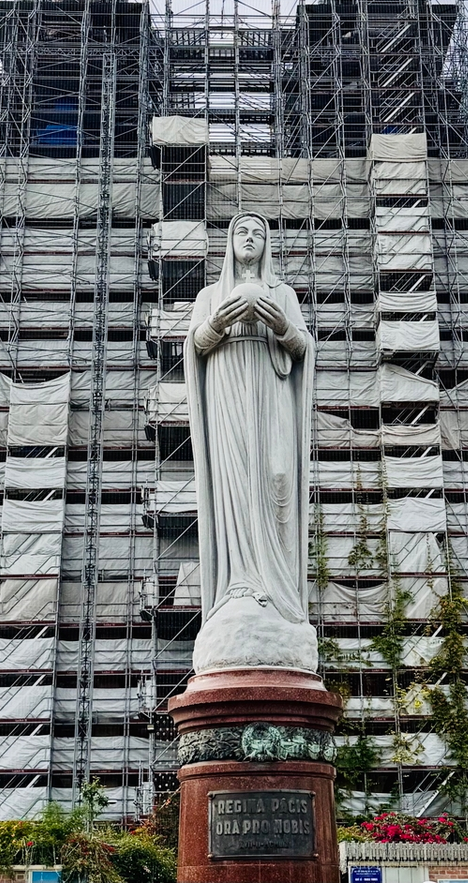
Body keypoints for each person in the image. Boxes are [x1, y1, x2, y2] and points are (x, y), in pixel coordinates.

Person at [184, 212, 317, 673]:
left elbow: (303, 349)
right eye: (242, 231)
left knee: (277, 478)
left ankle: (278, 595)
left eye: (259, 233)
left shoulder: (283, 294)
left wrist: (282, 326)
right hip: (227, 395)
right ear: (229, 243)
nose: (250, 239)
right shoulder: (209, 296)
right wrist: (215, 325)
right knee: (235, 484)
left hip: (271, 393)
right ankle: (239, 586)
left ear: (267, 246)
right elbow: (194, 346)